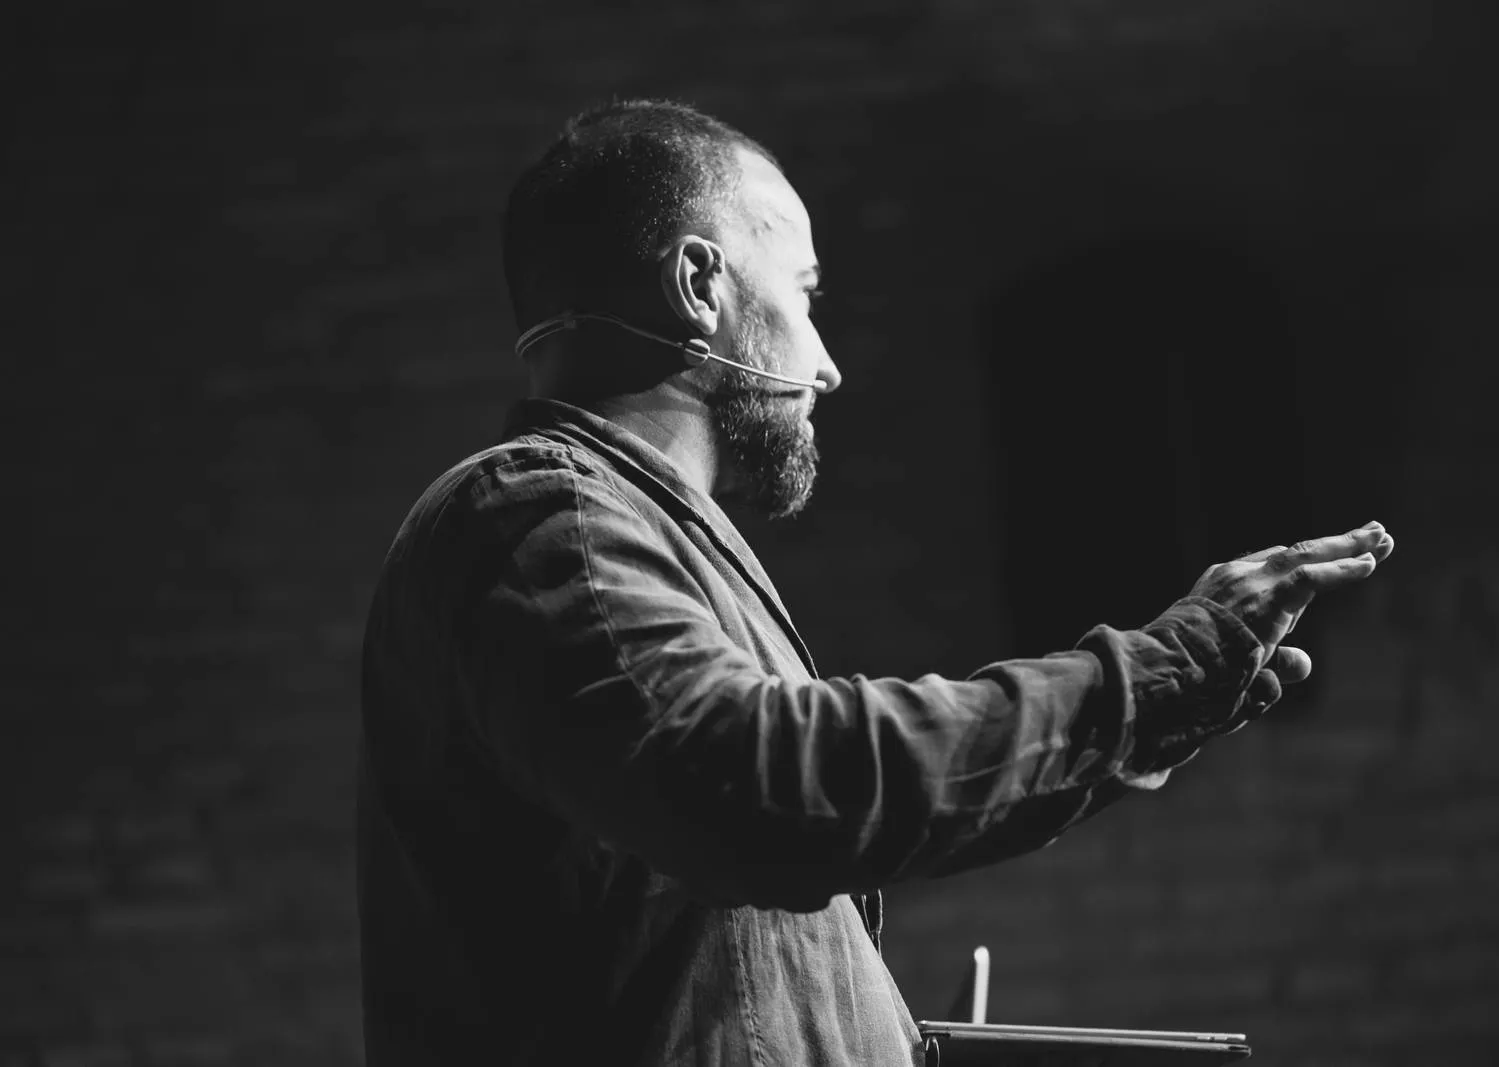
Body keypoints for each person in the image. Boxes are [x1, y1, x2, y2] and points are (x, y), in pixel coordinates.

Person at [356, 98, 1396, 1066]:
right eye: (804, 295)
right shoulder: (542, 521)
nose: (826, 364)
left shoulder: (619, 537)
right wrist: (1153, 679)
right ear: (700, 285)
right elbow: (767, 787)